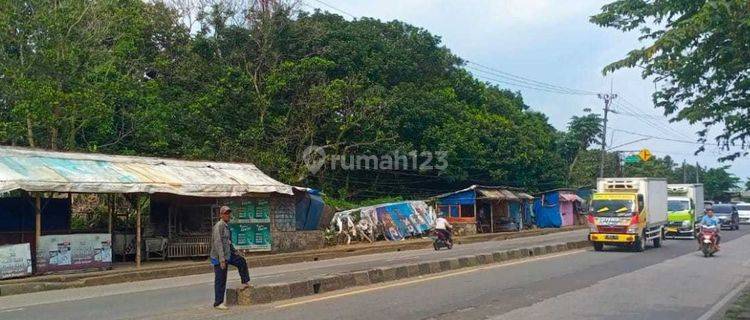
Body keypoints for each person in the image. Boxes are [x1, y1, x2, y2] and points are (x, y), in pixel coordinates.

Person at [210, 206, 251, 310]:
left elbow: (228, 242)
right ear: (221, 215)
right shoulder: (219, 226)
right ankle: (218, 302)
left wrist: (235, 251)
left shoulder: (226, 226)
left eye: (229, 213)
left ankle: (245, 282)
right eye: (226, 213)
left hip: (228, 254)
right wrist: (222, 260)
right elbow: (218, 243)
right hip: (219, 256)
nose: (228, 215)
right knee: (221, 279)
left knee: (241, 261)